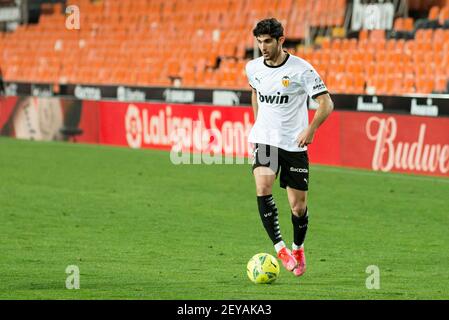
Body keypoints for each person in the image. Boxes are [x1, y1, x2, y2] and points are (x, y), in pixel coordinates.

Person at [245, 18, 334, 277]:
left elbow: (326, 103)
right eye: (259, 41)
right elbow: (255, 91)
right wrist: (258, 123)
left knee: (298, 207)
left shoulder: (301, 70)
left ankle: (298, 247)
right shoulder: (253, 68)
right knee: (263, 187)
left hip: (294, 145)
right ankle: (281, 249)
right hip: (266, 140)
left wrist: (311, 129)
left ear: (281, 40)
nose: (263, 46)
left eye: (268, 41)